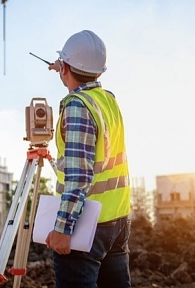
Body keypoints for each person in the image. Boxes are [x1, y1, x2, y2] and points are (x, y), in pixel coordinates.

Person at [44, 30, 132, 288]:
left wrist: (62, 229)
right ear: (100, 71)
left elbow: (79, 175)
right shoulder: (108, 100)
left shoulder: (77, 105)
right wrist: (66, 67)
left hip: (86, 227)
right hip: (117, 220)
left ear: (67, 67)